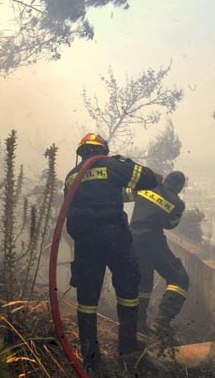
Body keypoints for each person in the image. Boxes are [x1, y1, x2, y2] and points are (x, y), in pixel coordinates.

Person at [64, 133, 160, 371]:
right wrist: (124, 162)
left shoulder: (72, 176)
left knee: (87, 300)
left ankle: (90, 357)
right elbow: (148, 179)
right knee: (128, 291)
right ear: (102, 150)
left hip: (86, 243)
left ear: (81, 152)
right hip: (114, 237)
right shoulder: (111, 165)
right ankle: (127, 351)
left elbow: (74, 208)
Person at [130, 171, 188, 343]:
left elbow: (127, 195)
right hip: (152, 241)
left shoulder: (146, 187)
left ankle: (138, 325)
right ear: (179, 186)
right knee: (179, 279)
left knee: (144, 282)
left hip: (132, 240)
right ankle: (162, 323)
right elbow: (170, 225)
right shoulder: (177, 203)